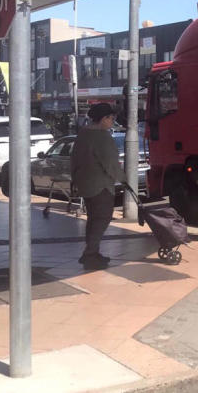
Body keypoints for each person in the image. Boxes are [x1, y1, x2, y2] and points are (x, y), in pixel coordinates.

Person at [71, 103, 125, 270]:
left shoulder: (83, 134)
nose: (112, 122)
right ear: (104, 119)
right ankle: (90, 254)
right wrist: (124, 179)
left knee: (93, 219)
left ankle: (93, 253)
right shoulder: (102, 136)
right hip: (100, 186)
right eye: (111, 118)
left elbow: (74, 159)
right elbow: (110, 164)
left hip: (85, 184)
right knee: (102, 218)